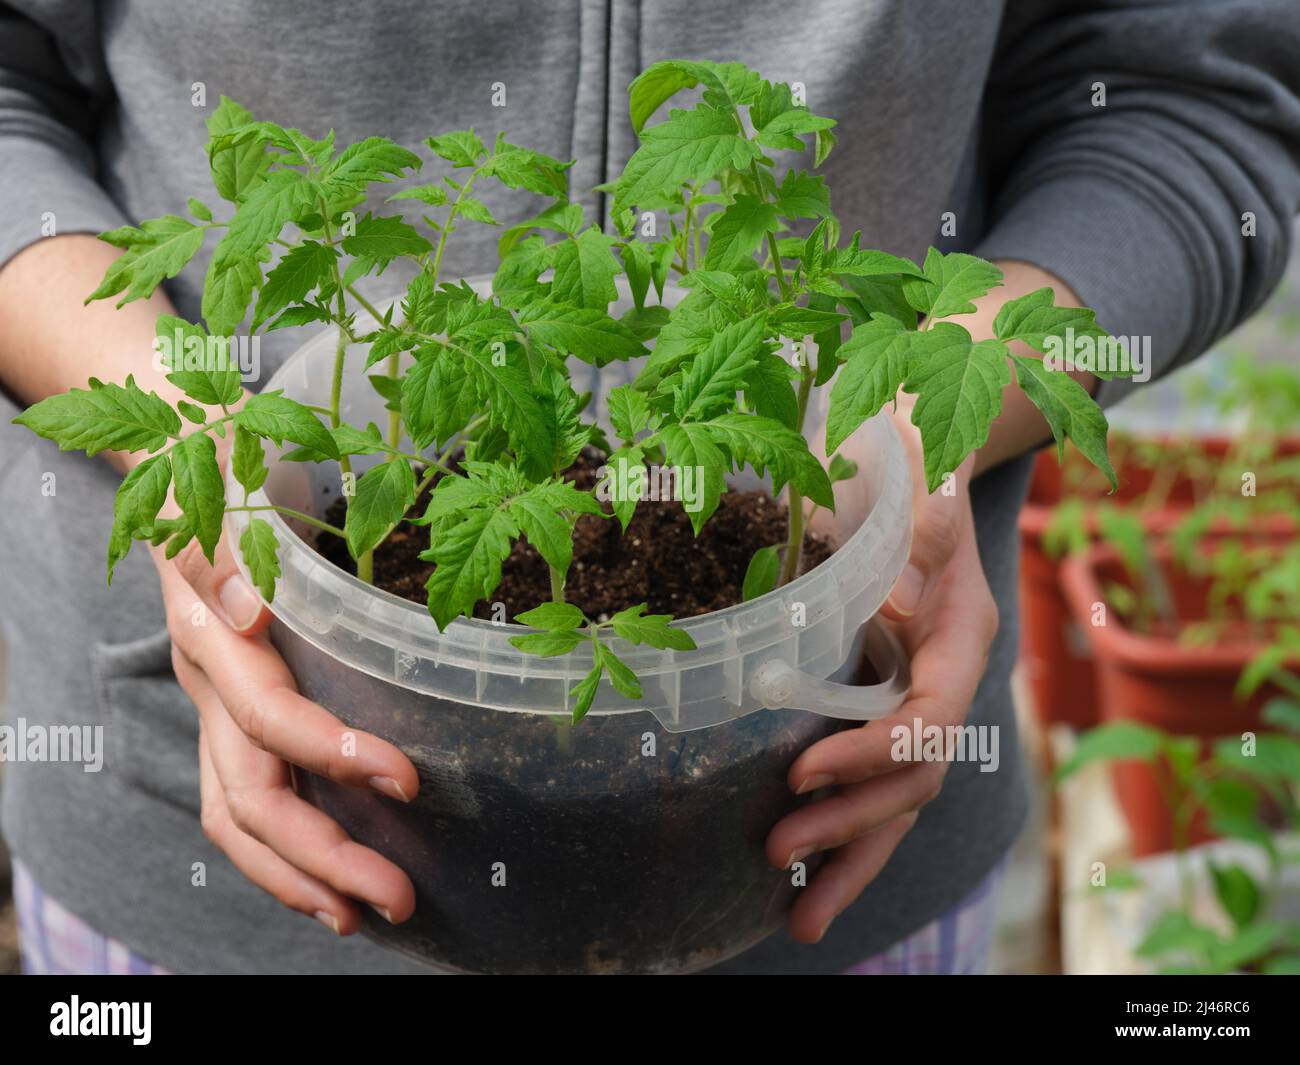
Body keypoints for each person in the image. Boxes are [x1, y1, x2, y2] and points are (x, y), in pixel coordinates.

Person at [1, 0, 1297, 976]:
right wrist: (196, 438)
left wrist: (917, 437)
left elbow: (1195, 93)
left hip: (819, 840)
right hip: (194, 884)